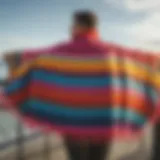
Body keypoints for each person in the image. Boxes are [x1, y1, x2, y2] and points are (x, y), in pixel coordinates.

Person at [3, 10, 160, 160]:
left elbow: (32, 58)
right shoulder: (113, 52)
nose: (70, 28)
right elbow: (143, 60)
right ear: (94, 27)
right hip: (103, 118)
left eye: (73, 24)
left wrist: (14, 58)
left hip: (73, 119)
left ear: (79, 25)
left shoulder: (61, 50)